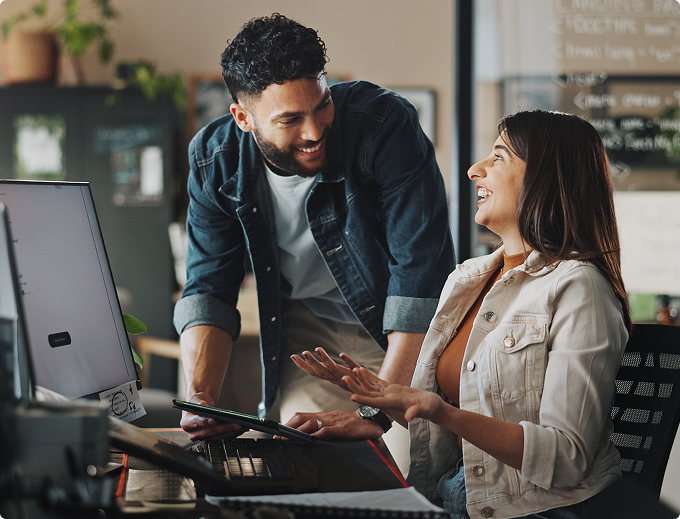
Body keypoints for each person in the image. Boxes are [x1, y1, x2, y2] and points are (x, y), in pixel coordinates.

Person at [289, 110, 632, 519]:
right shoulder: (468, 279)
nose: (474, 170)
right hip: (454, 496)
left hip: (542, 510)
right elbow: (439, 412)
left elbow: (566, 457)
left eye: (499, 157)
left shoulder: (580, 289)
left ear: (545, 176)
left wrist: (442, 411)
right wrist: (373, 403)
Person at [173, 11, 455, 454]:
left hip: (399, 330)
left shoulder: (384, 126)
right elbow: (209, 288)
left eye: (322, 104)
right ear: (243, 118)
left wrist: (376, 412)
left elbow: (422, 278)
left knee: (406, 472)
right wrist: (201, 396)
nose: (314, 131)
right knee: (308, 459)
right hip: (312, 340)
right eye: (289, 120)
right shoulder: (214, 159)